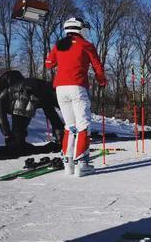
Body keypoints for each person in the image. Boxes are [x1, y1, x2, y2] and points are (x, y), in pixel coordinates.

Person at [45, 17, 107, 177]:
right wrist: (102, 81)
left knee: (69, 126)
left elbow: (49, 63)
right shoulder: (86, 45)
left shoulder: (59, 44)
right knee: (83, 125)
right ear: (80, 29)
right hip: (78, 87)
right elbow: (97, 66)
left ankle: (68, 163)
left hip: (60, 88)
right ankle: (82, 164)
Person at [0, 70, 65, 152]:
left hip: (26, 92)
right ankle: (62, 137)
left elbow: (1, 117)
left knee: (19, 113)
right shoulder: (24, 82)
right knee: (50, 110)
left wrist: (8, 135)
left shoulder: (1, 93)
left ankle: (17, 142)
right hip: (43, 85)